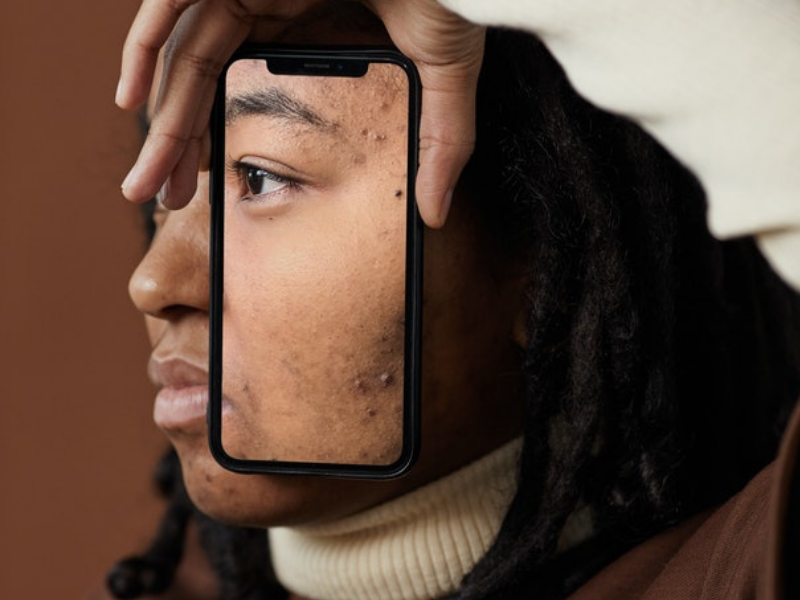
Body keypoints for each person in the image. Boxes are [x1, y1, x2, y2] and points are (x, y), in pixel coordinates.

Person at [105, 1, 800, 599]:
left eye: (259, 177)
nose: (154, 284)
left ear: (541, 254)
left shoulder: (747, 570)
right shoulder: (169, 585)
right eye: (168, 195)